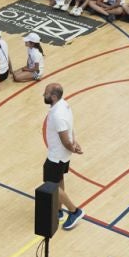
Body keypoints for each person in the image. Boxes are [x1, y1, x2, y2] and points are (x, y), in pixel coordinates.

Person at [41, 83, 86, 231]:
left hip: (57, 155)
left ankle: (74, 211)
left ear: (53, 96)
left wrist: (72, 146)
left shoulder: (57, 115)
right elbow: (70, 127)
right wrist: (75, 142)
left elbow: (64, 139)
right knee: (58, 179)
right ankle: (58, 211)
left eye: (46, 93)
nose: (43, 95)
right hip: (62, 154)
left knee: (50, 184)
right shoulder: (64, 105)